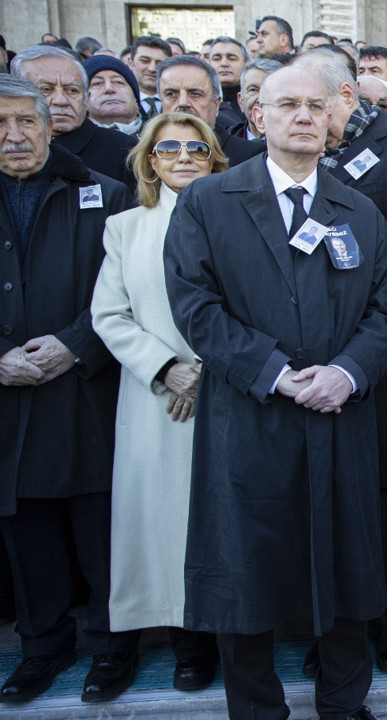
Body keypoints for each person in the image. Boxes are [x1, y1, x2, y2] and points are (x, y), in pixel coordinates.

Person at [163, 65, 387, 720]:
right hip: (248, 418)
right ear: (256, 116)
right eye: (286, 104)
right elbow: (195, 308)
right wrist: (273, 371)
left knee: (349, 569)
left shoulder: (361, 210)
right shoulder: (208, 202)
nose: (302, 115)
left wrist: (346, 372)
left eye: (315, 105)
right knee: (243, 573)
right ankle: (257, 710)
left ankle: (345, 703)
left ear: (333, 118)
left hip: (338, 417)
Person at [293, 48, 387, 677]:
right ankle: (325, 625)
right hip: (305, 355)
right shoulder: (290, 156)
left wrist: (333, 317)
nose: (302, 115)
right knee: (317, 496)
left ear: (347, 97)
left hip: (384, 352)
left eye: (314, 102)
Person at [0, 75, 140, 706]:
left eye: (25, 122)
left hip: (86, 391)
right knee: (26, 528)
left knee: (99, 527)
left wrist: (76, 344)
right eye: (0, 125)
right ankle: (42, 646)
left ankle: (114, 646)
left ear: (50, 122)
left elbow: (128, 291)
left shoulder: (105, 194)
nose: (13, 137)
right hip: (8, 396)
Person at [90, 112, 228, 693]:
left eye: (197, 147)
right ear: (149, 159)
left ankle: (220, 635)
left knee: (222, 523)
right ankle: (183, 641)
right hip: (157, 401)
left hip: (227, 392)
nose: (182, 155)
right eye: (167, 147)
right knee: (164, 526)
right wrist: (167, 368)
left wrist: (210, 370)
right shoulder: (125, 227)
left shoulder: (240, 220)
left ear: (215, 157)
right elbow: (108, 315)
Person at [12, 45, 137, 192]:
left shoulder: (124, 151)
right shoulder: (7, 148)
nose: (61, 100)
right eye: (46, 89)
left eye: (72, 90)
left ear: (85, 97)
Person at [157, 54, 265, 166]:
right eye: (171, 94)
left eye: (195, 94)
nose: (183, 103)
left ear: (216, 104)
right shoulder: (146, 152)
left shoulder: (252, 157)